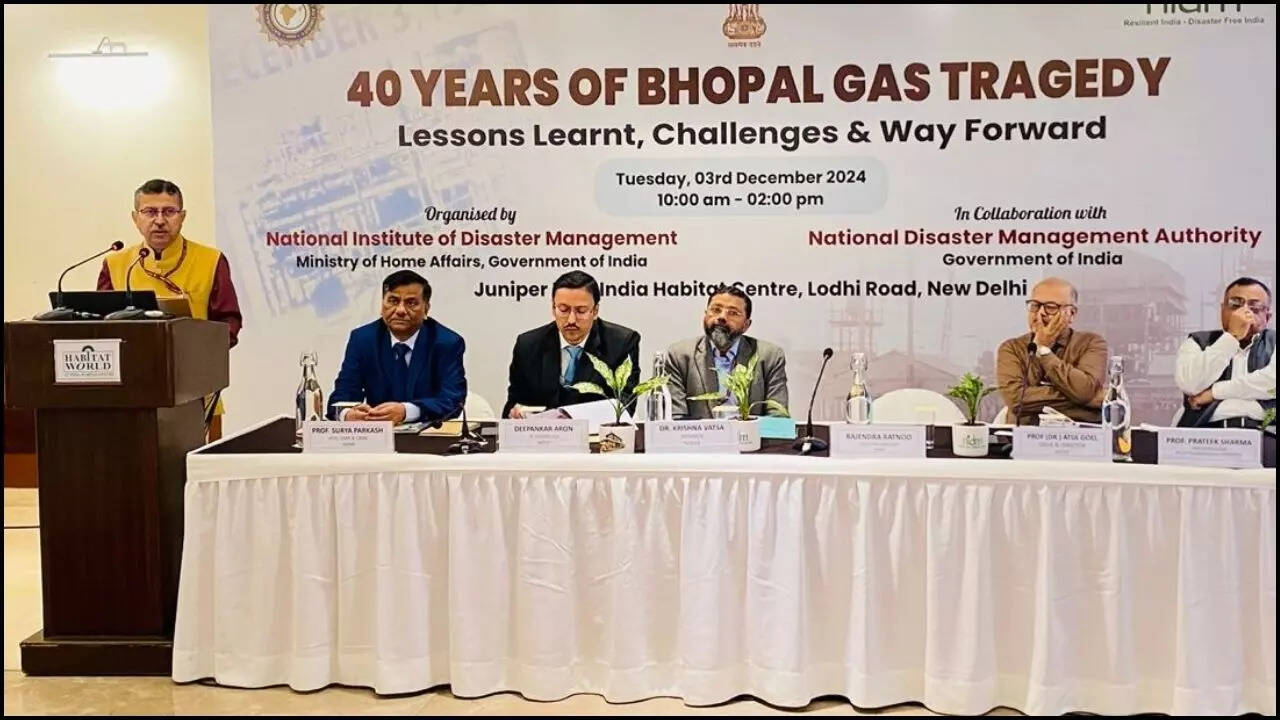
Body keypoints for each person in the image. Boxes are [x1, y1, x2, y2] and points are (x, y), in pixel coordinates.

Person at [98, 178, 242, 440]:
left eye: (169, 211)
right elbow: (101, 326)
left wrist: (199, 355)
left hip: (194, 392)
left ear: (182, 217)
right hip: (130, 395)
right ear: (135, 218)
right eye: (150, 212)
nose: (160, 220)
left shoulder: (210, 260)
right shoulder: (116, 264)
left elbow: (228, 323)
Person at [327, 270, 466, 425]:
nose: (400, 310)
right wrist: (348, 414)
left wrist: (406, 411)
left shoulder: (446, 343)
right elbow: (341, 396)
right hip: (375, 433)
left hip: (427, 435)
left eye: (411, 303)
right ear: (382, 305)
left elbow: (453, 400)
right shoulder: (363, 340)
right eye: (393, 301)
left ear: (426, 309)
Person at [504, 270, 640, 418]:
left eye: (581, 311)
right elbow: (514, 403)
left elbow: (624, 406)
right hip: (542, 432)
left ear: (595, 311)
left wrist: (568, 418)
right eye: (563, 310)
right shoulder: (528, 345)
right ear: (553, 309)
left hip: (596, 432)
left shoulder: (622, 343)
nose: (571, 320)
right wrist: (515, 413)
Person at [665, 284, 789, 419]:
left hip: (751, 433)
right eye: (715, 310)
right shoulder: (680, 356)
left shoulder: (769, 356)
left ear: (746, 325)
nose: (722, 317)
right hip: (696, 434)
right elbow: (675, 419)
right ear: (705, 315)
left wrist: (745, 428)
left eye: (733, 313)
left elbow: (778, 419)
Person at [996, 277, 1107, 425]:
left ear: (1072, 313)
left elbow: (1085, 390)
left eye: (1051, 307)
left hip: (1081, 435)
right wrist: (1085, 398)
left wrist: (1043, 350)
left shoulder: (1091, 343)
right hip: (1025, 433)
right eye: (1035, 305)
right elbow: (1017, 400)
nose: (1040, 313)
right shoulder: (1012, 348)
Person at [1174, 277, 1275, 428]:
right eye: (1235, 305)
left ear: (1267, 317)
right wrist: (1231, 337)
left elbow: (1271, 382)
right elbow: (1190, 384)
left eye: (1254, 307)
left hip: (1267, 432)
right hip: (1204, 432)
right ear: (1222, 310)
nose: (1244, 312)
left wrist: (1213, 393)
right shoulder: (1197, 341)